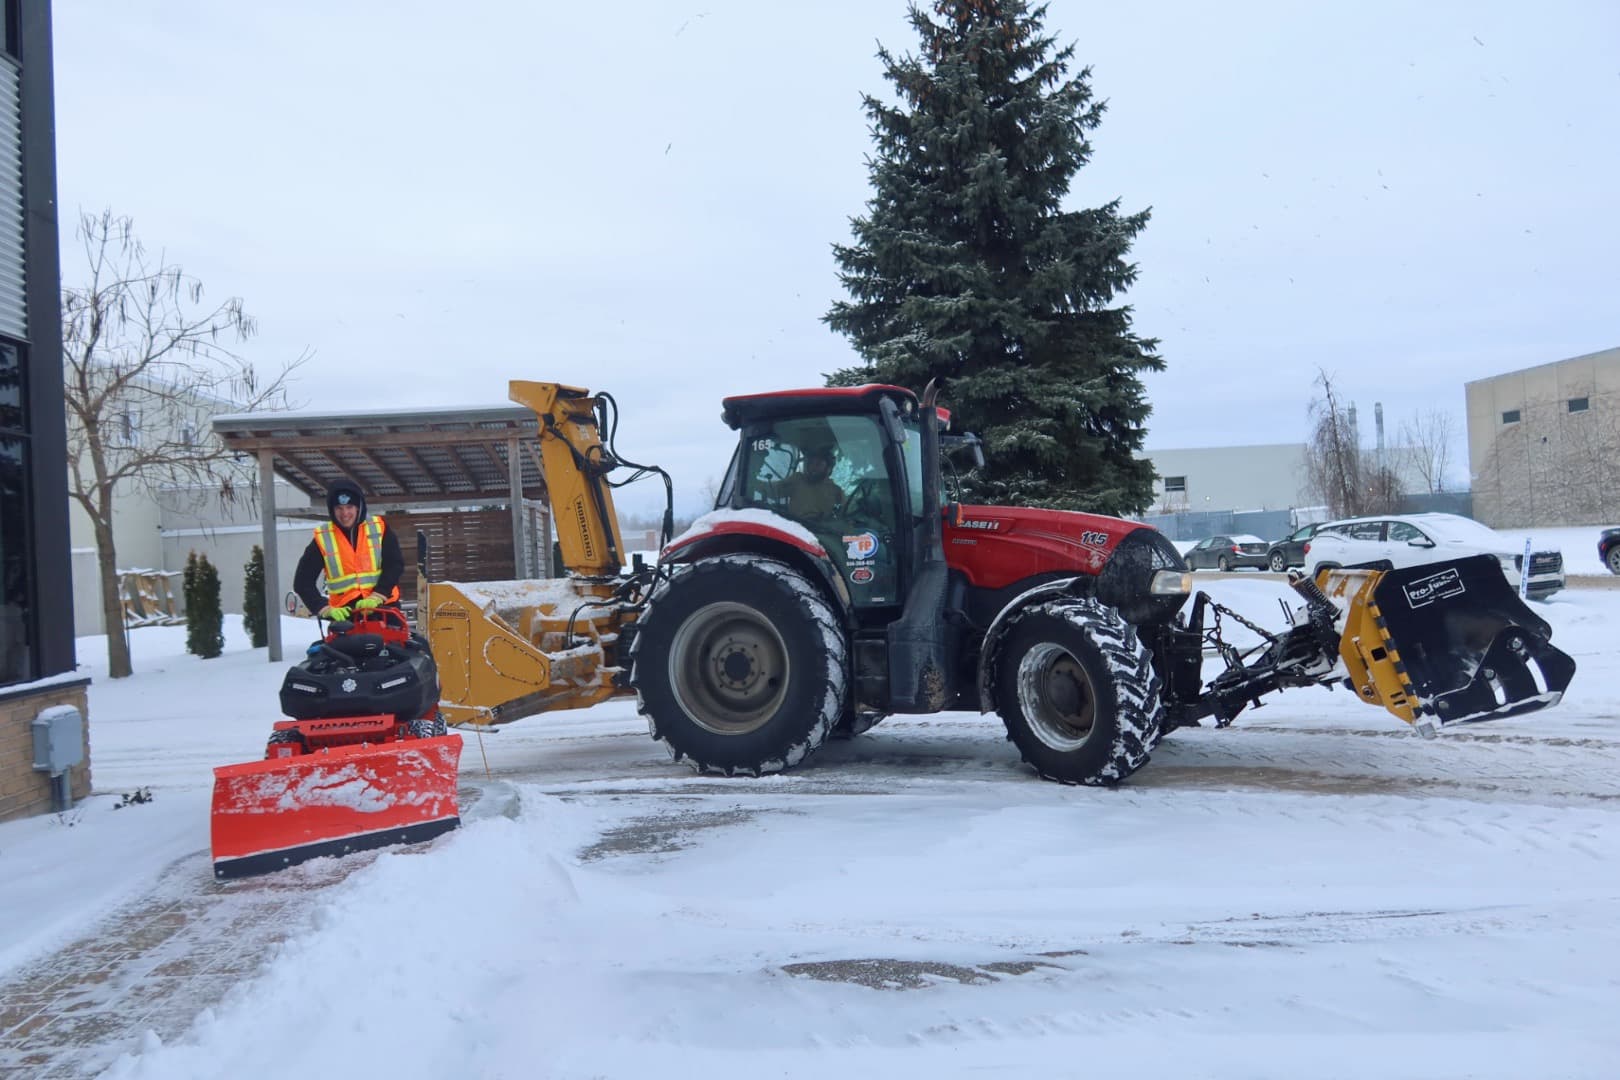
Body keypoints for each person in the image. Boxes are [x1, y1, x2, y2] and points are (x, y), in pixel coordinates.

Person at [292, 478, 404, 621]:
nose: (345, 513)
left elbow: (395, 565)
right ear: (332, 510)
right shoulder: (323, 538)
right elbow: (302, 582)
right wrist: (324, 608)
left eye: (349, 507)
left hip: (384, 608)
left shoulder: (379, 527)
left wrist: (378, 596)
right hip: (346, 616)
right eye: (339, 508)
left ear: (358, 507)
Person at [783, 445, 845, 521]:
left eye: (818, 464)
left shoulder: (835, 490)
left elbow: (849, 509)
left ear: (828, 469)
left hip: (820, 530)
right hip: (790, 527)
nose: (813, 467)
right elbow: (772, 489)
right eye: (811, 463)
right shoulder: (797, 480)